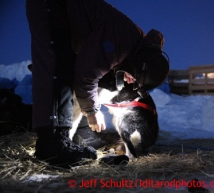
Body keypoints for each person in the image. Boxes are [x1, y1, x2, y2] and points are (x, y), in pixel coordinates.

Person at [26, 0, 169, 167]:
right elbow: (86, 74)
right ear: (140, 66)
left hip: (64, 17)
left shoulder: (133, 45)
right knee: (58, 71)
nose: (131, 81)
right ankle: (53, 146)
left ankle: (68, 139)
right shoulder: (121, 42)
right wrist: (92, 111)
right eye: (135, 78)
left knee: (71, 74)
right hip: (52, 7)